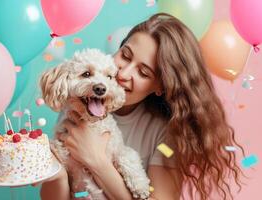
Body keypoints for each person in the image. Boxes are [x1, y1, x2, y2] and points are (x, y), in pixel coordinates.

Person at [39, 13, 244, 200]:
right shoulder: (80, 102)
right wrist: (55, 175)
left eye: (143, 73)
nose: (124, 74)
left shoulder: (167, 133)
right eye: (125, 55)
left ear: (161, 86)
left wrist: (97, 161)